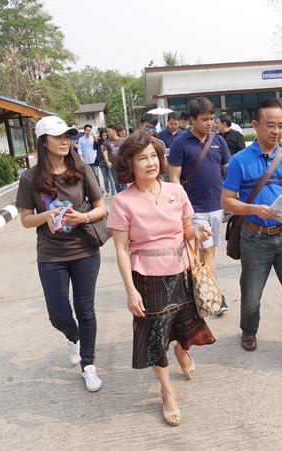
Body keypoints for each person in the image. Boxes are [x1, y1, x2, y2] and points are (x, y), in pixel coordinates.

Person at [109, 131, 216, 426]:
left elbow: (186, 229)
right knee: (156, 338)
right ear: (129, 164)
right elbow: (121, 249)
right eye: (142, 158)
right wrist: (130, 290)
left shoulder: (175, 191)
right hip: (147, 279)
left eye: (154, 156)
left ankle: (182, 351)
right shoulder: (122, 202)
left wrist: (197, 231)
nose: (150, 163)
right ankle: (167, 391)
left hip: (182, 272)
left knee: (184, 325)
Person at [221, 97, 282, 379]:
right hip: (255, 238)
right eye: (270, 125)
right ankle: (249, 329)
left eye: (281, 125)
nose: (277, 131)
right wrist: (254, 209)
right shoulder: (240, 161)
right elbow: (227, 201)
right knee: (252, 294)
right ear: (255, 125)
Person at [15, 115, 107, 391]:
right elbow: (25, 219)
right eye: (58, 137)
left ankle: (88, 365)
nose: (65, 141)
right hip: (51, 256)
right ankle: (73, 336)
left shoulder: (82, 170)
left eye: (67, 136)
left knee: (85, 309)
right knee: (58, 315)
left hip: (84, 251)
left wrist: (83, 217)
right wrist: (45, 216)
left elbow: (101, 208)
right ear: (44, 142)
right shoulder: (29, 178)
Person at [169, 97, 231, 314]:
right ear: (192, 119)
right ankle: (214, 296)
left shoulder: (219, 141)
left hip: (217, 207)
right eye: (204, 119)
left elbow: (228, 170)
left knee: (208, 253)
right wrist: (182, 208)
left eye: (211, 119)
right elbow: (174, 178)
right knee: (204, 253)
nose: (209, 123)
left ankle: (202, 293)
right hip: (194, 210)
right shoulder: (180, 144)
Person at [103, 124, 128, 193]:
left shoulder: (123, 140)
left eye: (109, 131)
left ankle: (125, 196)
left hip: (123, 165)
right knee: (117, 183)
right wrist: (107, 162)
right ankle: (120, 196)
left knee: (124, 182)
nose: (107, 133)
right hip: (113, 166)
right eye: (107, 131)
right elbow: (105, 153)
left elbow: (128, 150)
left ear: (114, 131)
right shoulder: (107, 142)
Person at [95, 129, 116, 197]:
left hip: (110, 161)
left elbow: (114, 152)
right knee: (105, 179)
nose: (105, 136)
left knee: (111, 178)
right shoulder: (99, 142)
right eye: (103, 135)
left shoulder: (110, 142)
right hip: (102, 161)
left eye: (106, 135)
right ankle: (108, 191)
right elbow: (94, 136)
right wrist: (100, 133)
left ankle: (113, 193)